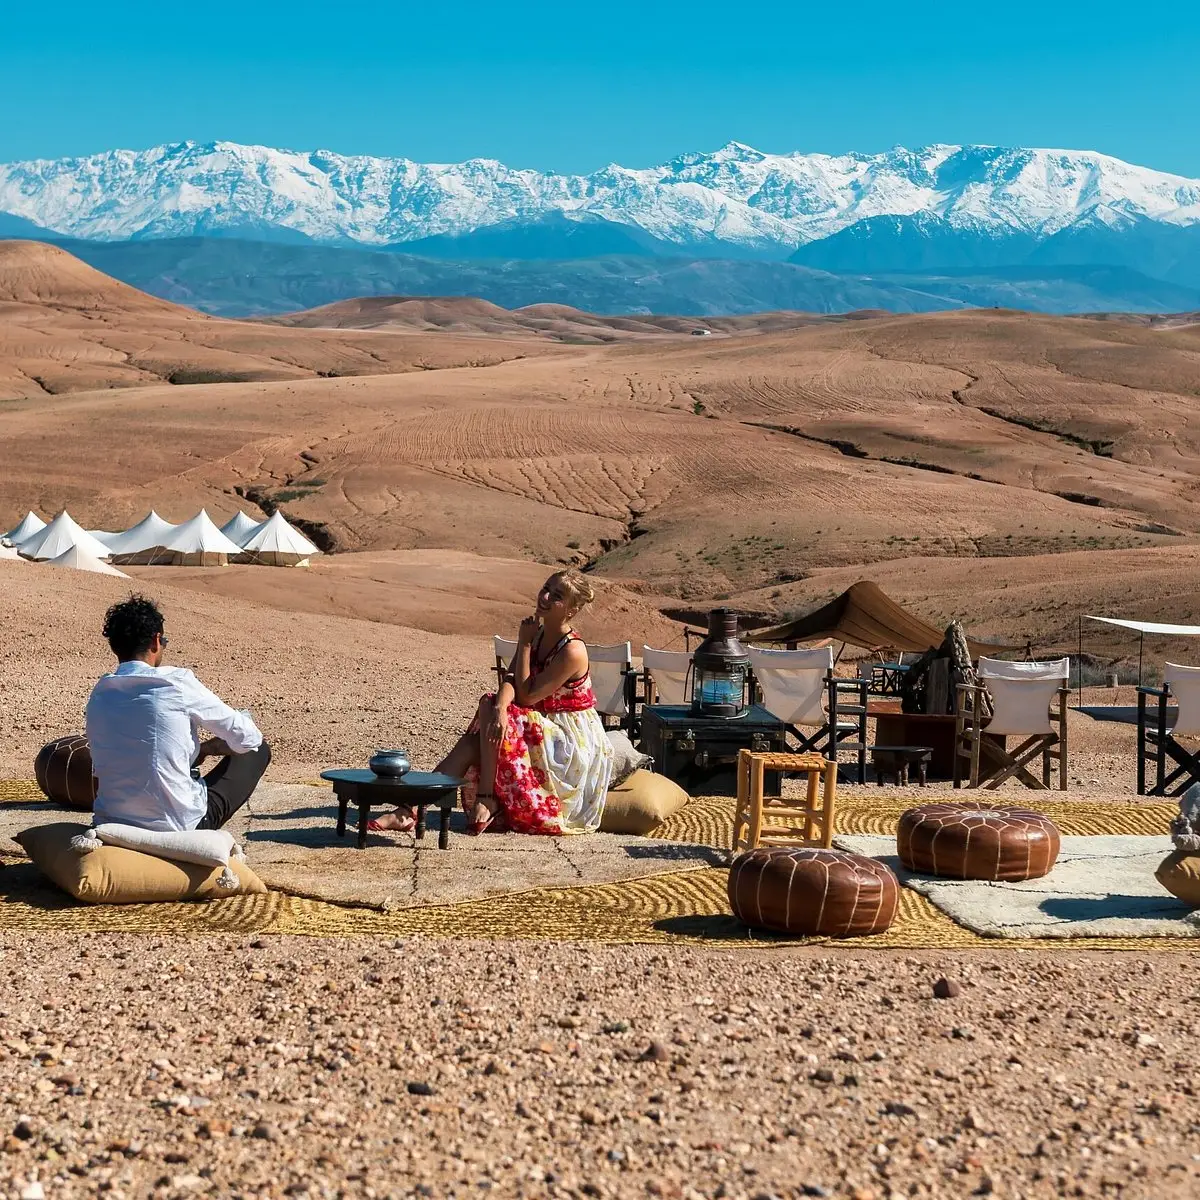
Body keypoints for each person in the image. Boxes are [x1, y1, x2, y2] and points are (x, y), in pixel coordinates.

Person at [371, 570, 615, 836]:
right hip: (541, 724)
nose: (544, 597)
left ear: (572, 609)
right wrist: (499, 708)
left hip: (569, 742)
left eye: (556, 596)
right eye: (545, 588)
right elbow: (511, 680)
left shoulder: (572, 650)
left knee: (485, 724)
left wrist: (523, 644)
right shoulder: (539, 633)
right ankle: (411, 810)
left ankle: (482, 797)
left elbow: (528, 696)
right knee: (479, 729)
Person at [85, 595, 271, 832]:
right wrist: (211, 748)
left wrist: (197, 752)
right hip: (177, 824)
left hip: (112, 819)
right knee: (258, 749)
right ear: (156, 641)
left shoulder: (100, 692)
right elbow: (248, 737)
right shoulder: (175, 682)